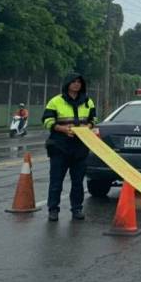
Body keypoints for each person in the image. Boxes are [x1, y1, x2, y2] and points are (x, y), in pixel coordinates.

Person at [43, 73, 99, 222]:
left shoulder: (88, 101)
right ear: (67, 83)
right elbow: (47, 121)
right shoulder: (55, 101)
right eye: (73, 82)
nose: (76, 84)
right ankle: (53, 210)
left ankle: (77, 209)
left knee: (78, 181)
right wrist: (62, 129)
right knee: (56, 181)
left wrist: (87, 126)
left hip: (80, 147)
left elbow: (94, 119)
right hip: (59, 146)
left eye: (79, 82)